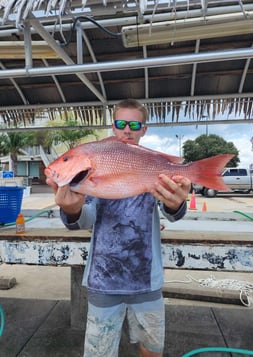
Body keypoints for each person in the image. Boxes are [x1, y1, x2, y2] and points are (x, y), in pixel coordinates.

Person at [46, 99, 191, 357]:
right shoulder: (94, 163)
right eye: (121, 123)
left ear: (143, 129)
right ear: (113, 126)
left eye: (134, 124)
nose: (127, 130)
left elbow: (172, 214)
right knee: (99, 352)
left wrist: (176, 202)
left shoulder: (153, 165)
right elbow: (85, 219)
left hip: (146, 279)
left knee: (152, 350)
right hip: (104, 279)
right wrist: (71, 209)